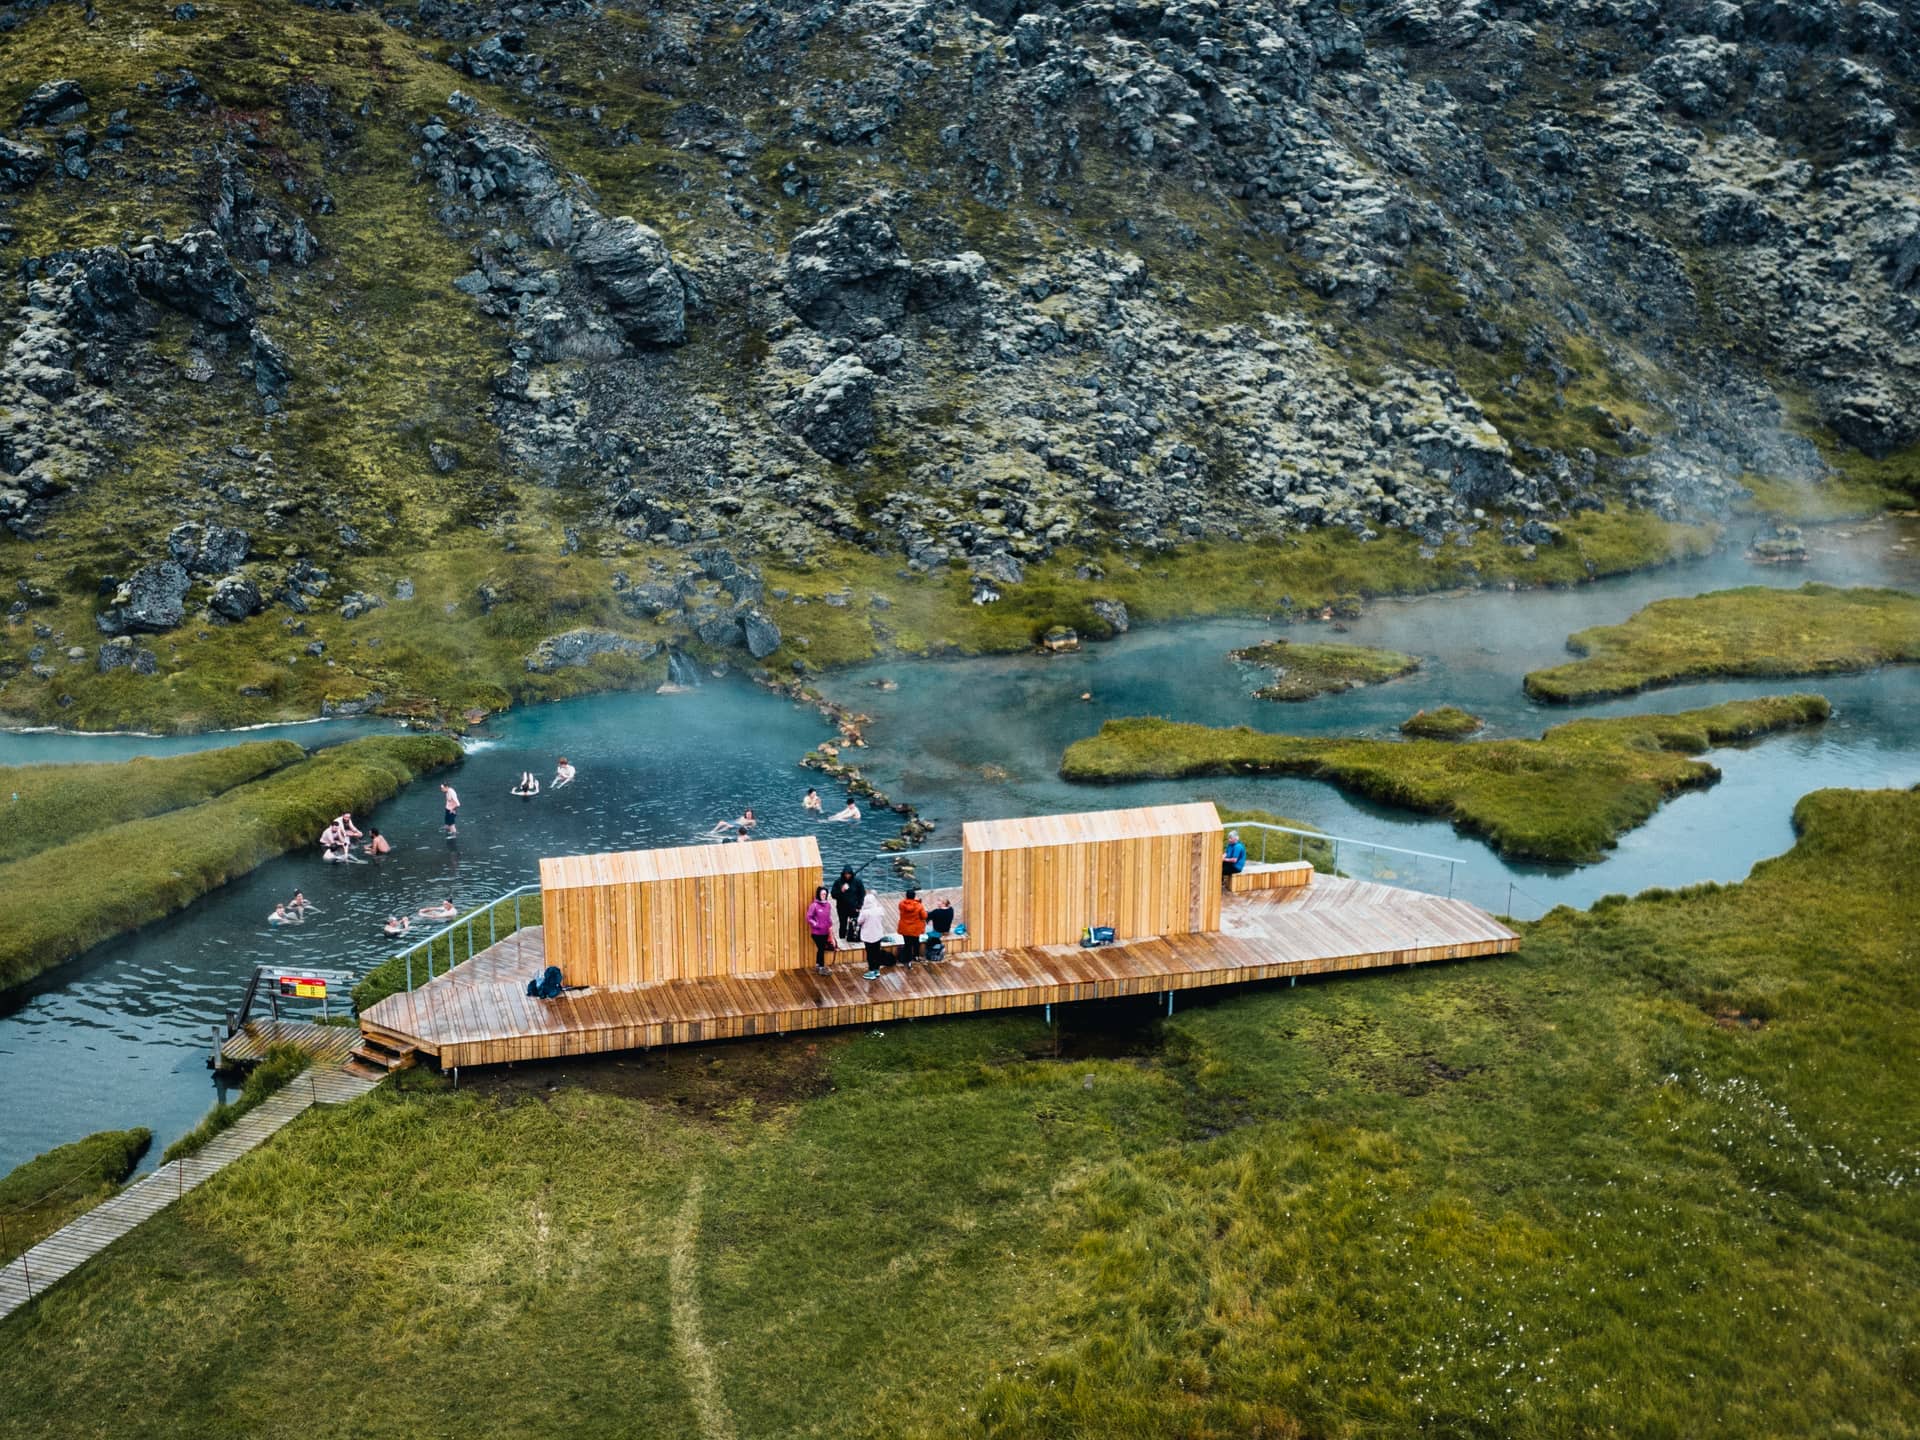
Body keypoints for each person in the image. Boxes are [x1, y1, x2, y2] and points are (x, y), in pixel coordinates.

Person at [857, 891, 888, 980]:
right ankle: (877, 970)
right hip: (877, 935)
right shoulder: (879, 910)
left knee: (870, 954)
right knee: (877, 952)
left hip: (868, 936)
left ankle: (871, 971)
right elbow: (882, 915)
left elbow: (859, 921)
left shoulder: (865, 912)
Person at [832, 866, 866, 943]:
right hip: (842, 908)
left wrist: (859, 906)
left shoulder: (857, 882)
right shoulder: (838, 882)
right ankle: (842, 940)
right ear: (843, 874)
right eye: (846, 874)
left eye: (849, 874)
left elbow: (862, 894)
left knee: (854, 924)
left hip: (854, 908)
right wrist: (841, 890)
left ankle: (853, 939)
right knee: (843, 925)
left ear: (851, 874)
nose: (847, 876)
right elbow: (833, 895)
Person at [805, 885, 835, 970]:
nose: (823, 896)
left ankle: (818, 965)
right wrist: (816, 924)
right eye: (822, 894)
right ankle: (821, 966)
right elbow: (808, 917)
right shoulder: (814, 905)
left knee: (821, 949)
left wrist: (830, 926)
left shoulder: (828, 905)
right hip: (816, 933)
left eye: (825, 894)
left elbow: (828, 917)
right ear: (818, 894)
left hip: (825, 932)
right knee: (821, 948)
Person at [897, 888, 927, 966]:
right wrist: (918, 902)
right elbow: (924, 916)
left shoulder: (901, 904)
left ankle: (907, 959)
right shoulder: (919, 906)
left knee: (907, 944)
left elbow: (905, 907)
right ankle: (916, 956)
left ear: (906, 896)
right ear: (914, 896)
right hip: (915, 928)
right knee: (916, 942)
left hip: (904, 927)